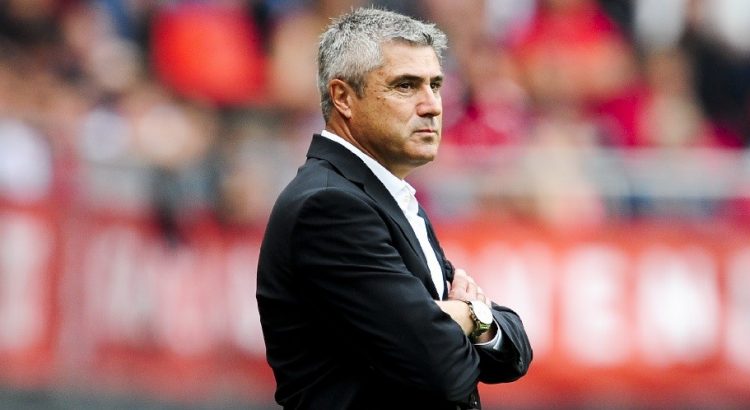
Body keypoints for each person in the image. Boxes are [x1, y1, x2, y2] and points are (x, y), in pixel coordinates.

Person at [256, 7, 532, 409]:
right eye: (406, 86)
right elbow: (443, 372)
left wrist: (467, 315)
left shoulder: (385, 195)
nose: (432, 106)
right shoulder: (329, 207)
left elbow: (515, 353)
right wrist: (469, 315)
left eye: (435, 85)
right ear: (343, 97)